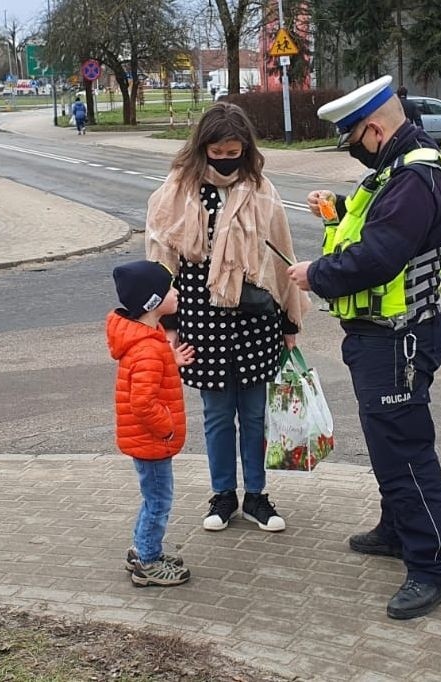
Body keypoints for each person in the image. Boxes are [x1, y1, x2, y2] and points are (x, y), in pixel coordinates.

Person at [288, 75, 441, 620]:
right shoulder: (397, 170)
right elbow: (378, 227)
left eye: (354, 141)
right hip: (384, 338)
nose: (356, 153)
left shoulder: (414, 177)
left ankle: (433, 567)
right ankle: (396, 529)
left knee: (405, 451)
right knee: (390, 445)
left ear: (373, 128)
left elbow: (380, 256)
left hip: (399, 340)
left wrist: (315, 273)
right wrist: (337, 210)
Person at [145, 102, 309, 534]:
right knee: (217, 416)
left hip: (256, 319)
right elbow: (161, 259)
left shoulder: (261, 189)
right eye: (217, 152)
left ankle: (257, 496)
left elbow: (281, 257)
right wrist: (167, 327)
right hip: (199, 319)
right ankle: (223, 495)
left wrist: (290, 323)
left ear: (246, 149)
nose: (225, 160)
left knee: (255, 415)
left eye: (233, 151)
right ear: (203, 149)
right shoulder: (177, 191)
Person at [106, 260, 195, 587]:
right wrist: (166, 427)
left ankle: (144, 549)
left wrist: (170, 359)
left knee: (152, 498)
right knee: (159, 502)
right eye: (170, 288)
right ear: (153, 303)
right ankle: (148, 561)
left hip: (148, 440)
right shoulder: (146, 348)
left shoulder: (148, 339)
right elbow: (142, 401)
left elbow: (147, 376)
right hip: (152, 441)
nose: (177, 292)